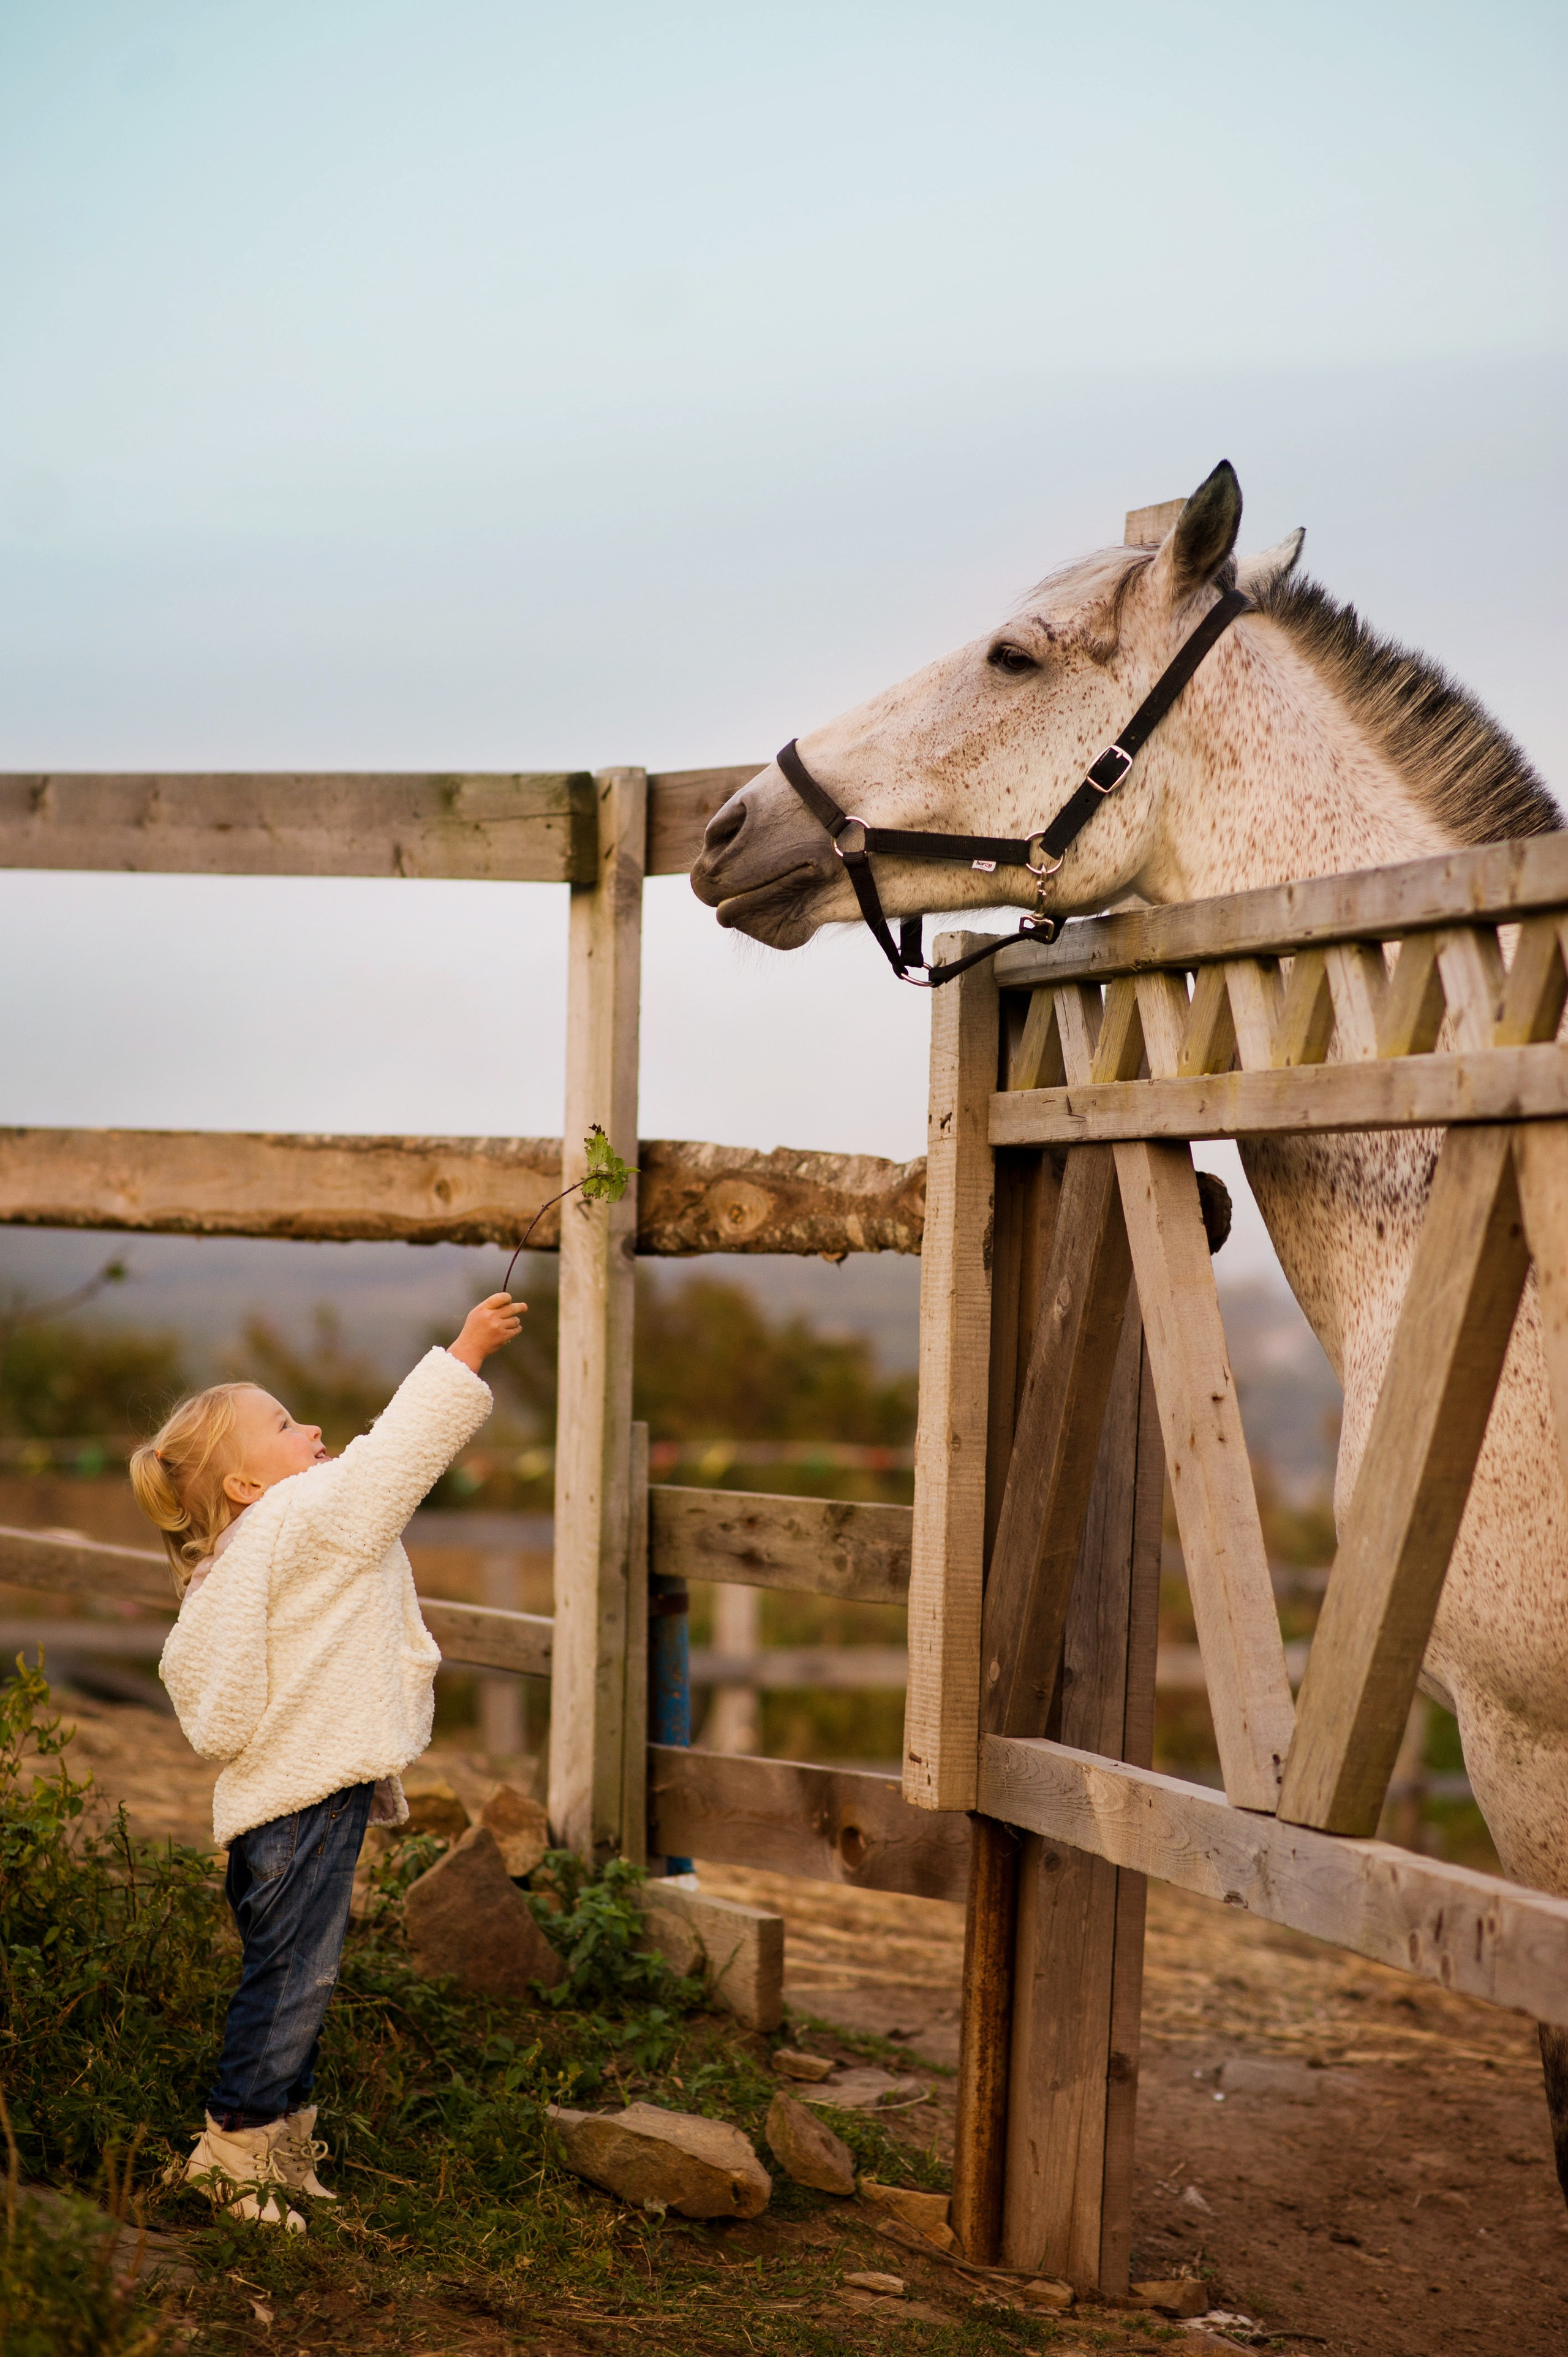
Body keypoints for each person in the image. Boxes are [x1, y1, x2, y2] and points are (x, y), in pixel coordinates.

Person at [129, 1293, 522, 2231]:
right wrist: (465, 1352)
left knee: (298, 1973)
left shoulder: (257, 1540)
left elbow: (361, 1487)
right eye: (282, 1423)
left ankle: (279, 2153)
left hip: (282, 1809)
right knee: (292, 1982)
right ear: (243, 1488)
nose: (307, 1426)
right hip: (301, 1807)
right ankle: (232, 2154)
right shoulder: (300, 1514)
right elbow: (393, 1464)